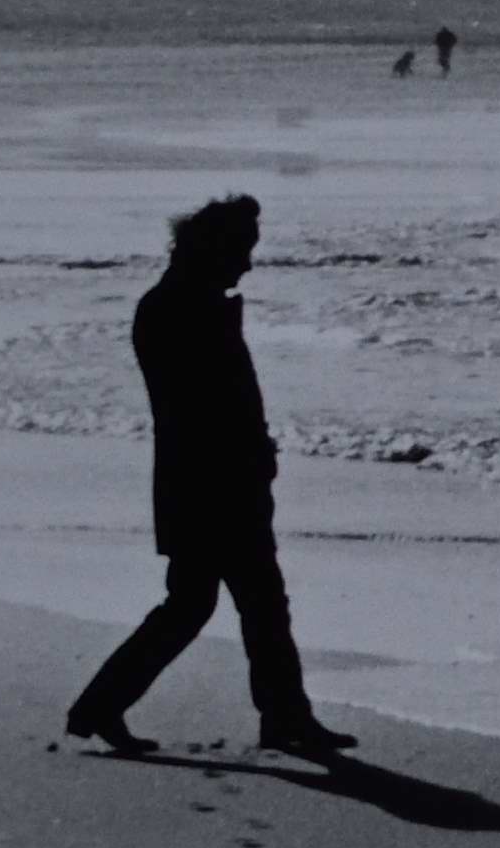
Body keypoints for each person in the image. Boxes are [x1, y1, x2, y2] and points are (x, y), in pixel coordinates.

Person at [65, 196, 354, 761]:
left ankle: (106, 707)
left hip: (205, 481)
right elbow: (208, 407)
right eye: (242, 251)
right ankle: (282, 718)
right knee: (243, 603)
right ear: (213, 248)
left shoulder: (183, 303)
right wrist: (251, 460)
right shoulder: (180, 308)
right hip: (212, 485)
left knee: (212, 604)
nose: (247, 265)